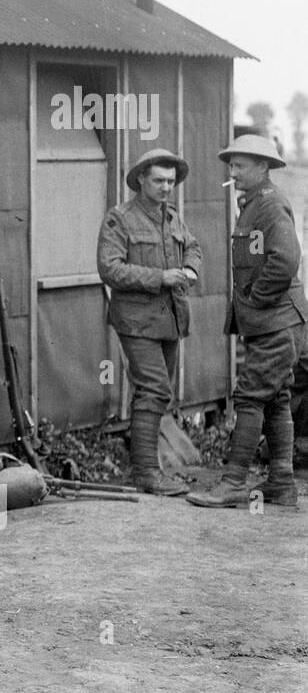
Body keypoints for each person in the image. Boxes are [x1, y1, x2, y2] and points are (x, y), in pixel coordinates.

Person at [189, 133, 306, 508]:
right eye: (231, 166)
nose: (233, 172)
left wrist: (257, 299)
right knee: (275, 397)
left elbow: (286, 260)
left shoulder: (271, 207)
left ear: (263, 167)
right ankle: (282, 483)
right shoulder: (252, 205)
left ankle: (235, 481)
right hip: (269, 322)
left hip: (276, 321)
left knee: (252, 395)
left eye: (240, 166)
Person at [96, 148, 201, 496]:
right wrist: (161, 276)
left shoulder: (171, 217)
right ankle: (146, 472)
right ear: (141, 179)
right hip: (136, 320)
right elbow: (110, 268)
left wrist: (189, 269)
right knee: (155, 388)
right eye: (158, 180)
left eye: (171, 181)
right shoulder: (120, 218)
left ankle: (144, 465)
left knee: (154, 392)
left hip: (170, 318)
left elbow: (194, 247)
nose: (166, 187)